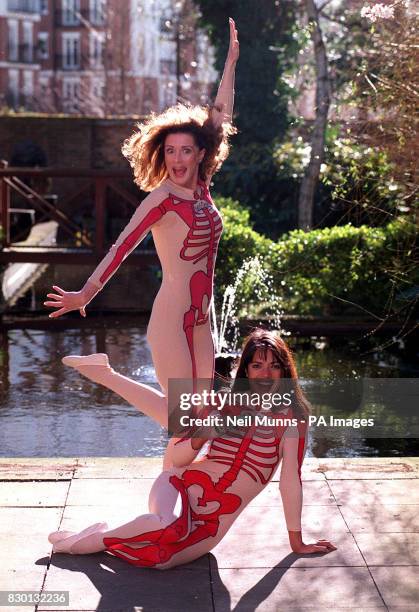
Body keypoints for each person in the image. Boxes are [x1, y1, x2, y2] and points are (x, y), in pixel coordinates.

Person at [44, 18, 239, 468]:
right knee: (185, 427)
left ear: (200, 155)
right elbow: (120, 248)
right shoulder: (161, 200)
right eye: (169, 151)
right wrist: (84, 294)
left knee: (200, 419)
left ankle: (172, 490)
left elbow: (220, 117)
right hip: (171, 320)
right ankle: (108, 376)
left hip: (201, 322)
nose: (177, 159)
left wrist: (230, 63)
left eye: (186, 150)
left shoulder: (203, 188)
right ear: (161, 155)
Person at [48, 329, 337, 568]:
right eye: (257, 365)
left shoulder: (293, 418)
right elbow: (177, 458)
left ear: (285, 370)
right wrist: (203, 435)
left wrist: (296, 541)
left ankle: (101, 534)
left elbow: (290, 481)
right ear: (246, 370)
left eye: (274, 365)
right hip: (179, 487)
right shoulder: (225, 404)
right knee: (170, 524)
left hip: (215, 520)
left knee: (161, 560)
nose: (265, 374)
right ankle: (88, 543)